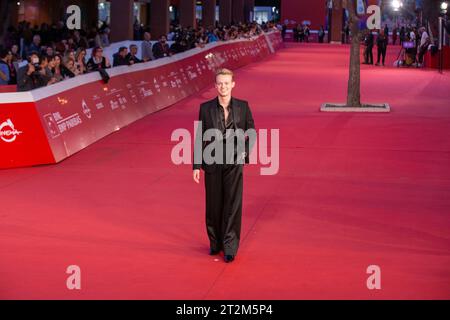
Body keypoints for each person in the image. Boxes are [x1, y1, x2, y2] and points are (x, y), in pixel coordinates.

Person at [193, 68, 255, 263]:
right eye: (220, 83)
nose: (223, 86)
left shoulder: (243, 107)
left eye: (227, 83)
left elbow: (251, 132)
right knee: (213, 205)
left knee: (232, 204)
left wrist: (245, 152)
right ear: (215, 85)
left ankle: (230, 246)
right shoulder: (205, 108)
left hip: (234, 162)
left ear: (233, 84)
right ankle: (215, 242)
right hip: (212, 162)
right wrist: (196, 165)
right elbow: (199, 138)